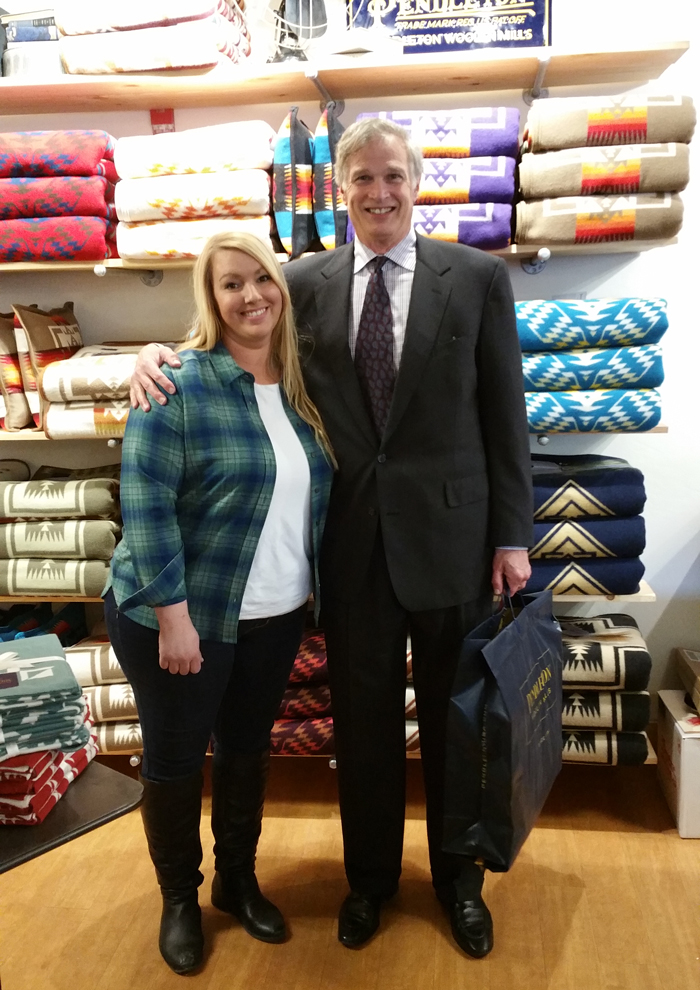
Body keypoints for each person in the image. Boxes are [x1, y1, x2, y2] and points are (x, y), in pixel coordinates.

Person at [130, 117, 533, 959]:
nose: (379, 194)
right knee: (364, 728)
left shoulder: (477, 277)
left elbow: (506, 415)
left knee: (459, 728)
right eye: (362, 180)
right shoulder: (305, 281)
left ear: (416, 183)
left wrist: (511, 535)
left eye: (393, 176)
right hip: (350, 550)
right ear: (338, 190)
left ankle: (460, 882)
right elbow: (239, 340)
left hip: (455, 544)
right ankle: (371, 884)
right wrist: (154, 353)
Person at [105, 230, 334, 975]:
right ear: (211, 298)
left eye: (261, 279)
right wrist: (173, 615)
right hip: (180, 616)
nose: (250, 296)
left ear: (281, 287)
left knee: (247, 750)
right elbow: (143, 504)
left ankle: (238, 881)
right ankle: (180, 898)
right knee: (174, 758)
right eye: (231, 284)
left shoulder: (303, 389)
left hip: (273, 613)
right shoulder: (179, 381)